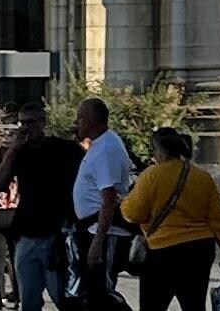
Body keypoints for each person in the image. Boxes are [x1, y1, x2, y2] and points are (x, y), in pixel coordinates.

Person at [115, 127, 220, 311]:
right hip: (199, 251)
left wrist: (123, 202)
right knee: (194, 306)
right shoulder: (203, 177)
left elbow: (134, 214)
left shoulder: (150, 175)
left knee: (152, 306)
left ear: (160, 151)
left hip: (163, 253)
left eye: (153, 150)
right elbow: (217, 220)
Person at [0, 103, 84, 311]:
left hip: (57, 234)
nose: (27, 128)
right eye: (22, 123)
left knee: (63, 297)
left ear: (43, 123)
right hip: (27, 233)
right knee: (29, 299)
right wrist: (14, 148)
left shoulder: (64, 149)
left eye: (31, 122)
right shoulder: (19, 152)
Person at [71, 97, 134, 309]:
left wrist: (98, 242)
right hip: (92, 228)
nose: (76, 123)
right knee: (93, 292)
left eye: (81, 119)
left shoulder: (107, 148)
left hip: (105, 232)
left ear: (93, 122)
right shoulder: (99, 145)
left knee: (103, 293)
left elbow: (109, 198)